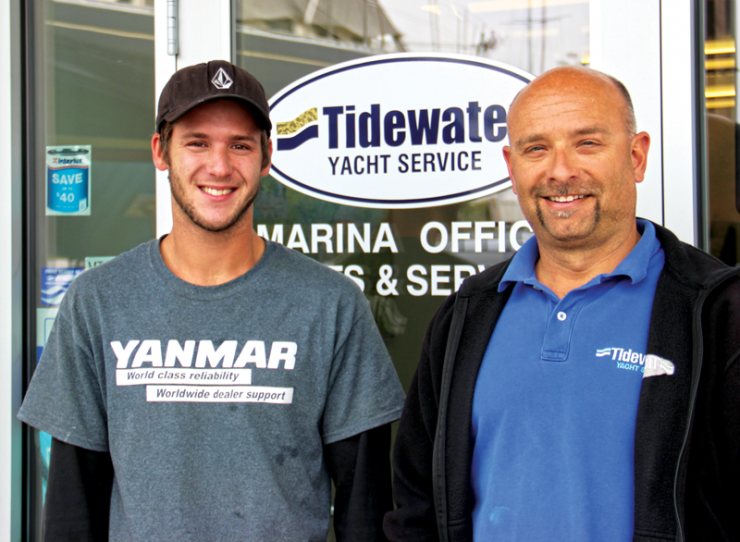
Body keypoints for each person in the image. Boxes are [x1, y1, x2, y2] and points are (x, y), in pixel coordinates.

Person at [19, 60, 405, 541]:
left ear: (266, 158)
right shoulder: (97, 302)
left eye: (240, 145)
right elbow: (73, 507)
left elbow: (364, 508)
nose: (219, 167)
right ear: (161, 151)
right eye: (197, 142)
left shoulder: (332, 305)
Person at [383, 66, 740, 542]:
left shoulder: (717, 313)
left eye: (587, 143)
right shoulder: (466, 315)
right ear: (512, 168)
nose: (561, 171)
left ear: (636, 157)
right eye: (536, 148)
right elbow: (415, 505)